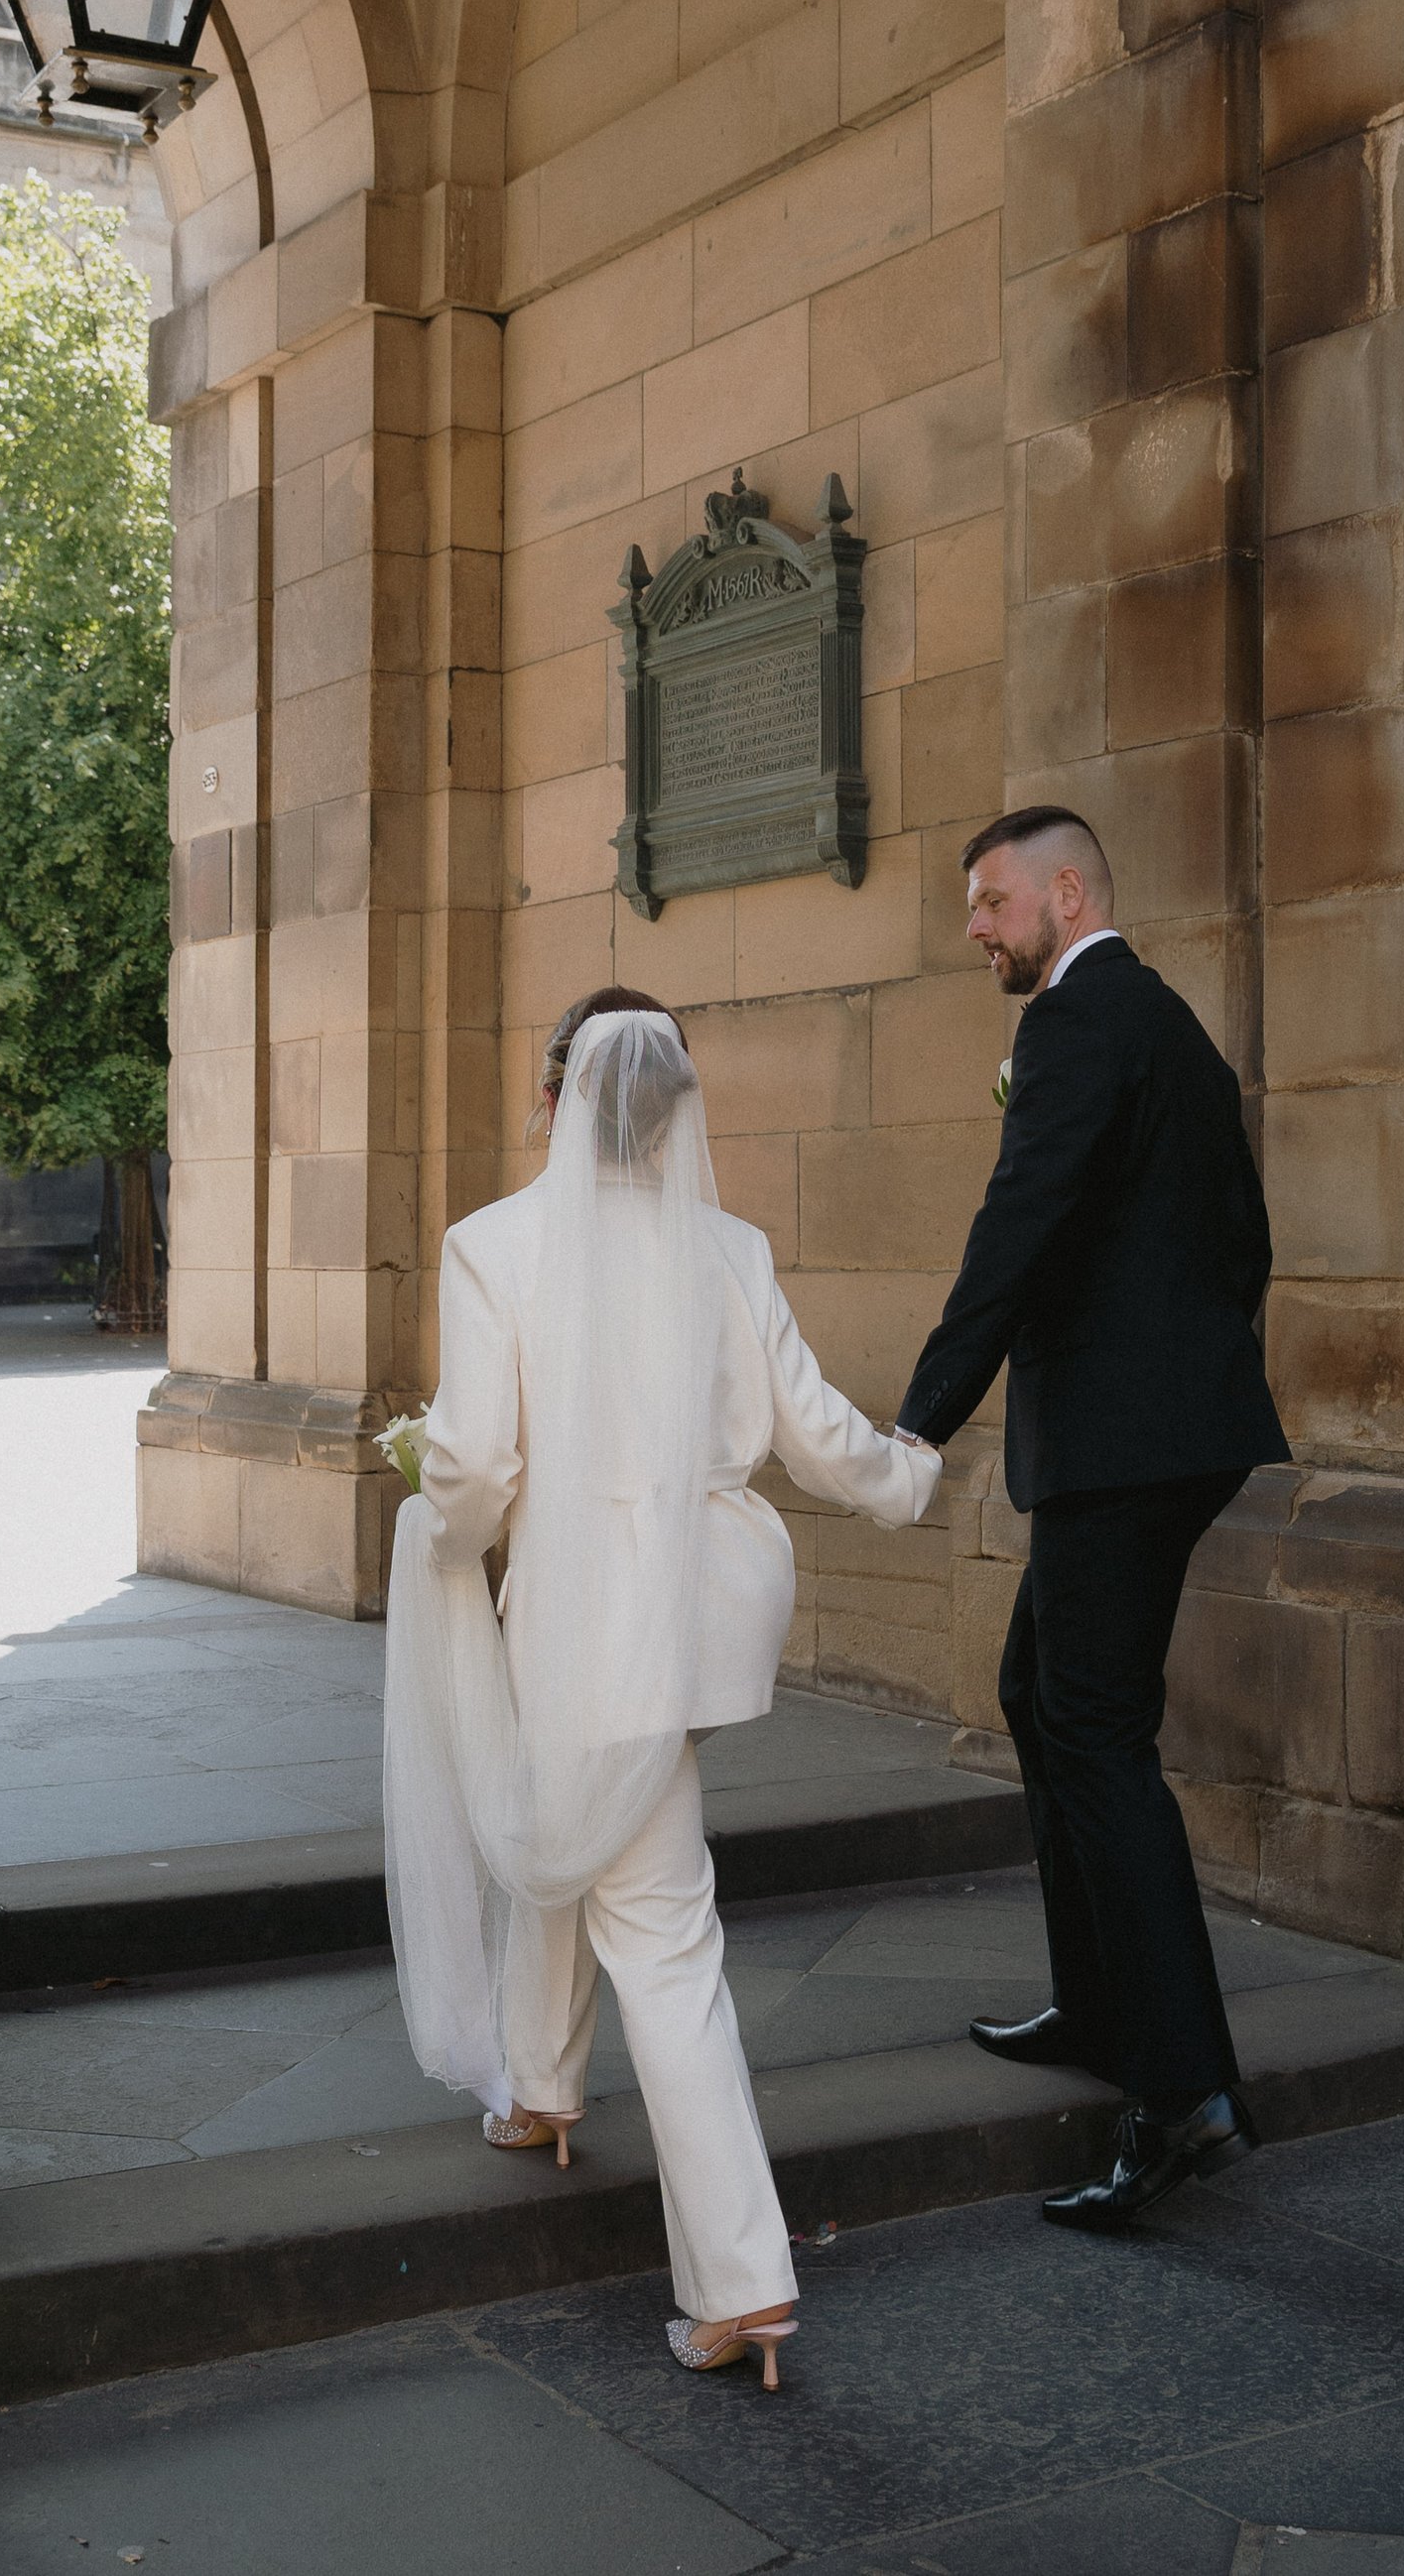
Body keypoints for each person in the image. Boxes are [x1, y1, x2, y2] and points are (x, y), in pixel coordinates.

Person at [383, 985, 942, 2385]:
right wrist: (911, 1474)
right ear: (672, 1106)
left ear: (554, 1093)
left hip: (584, 1614)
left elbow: (479, 1466)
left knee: (661, 1923)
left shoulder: (491, 1246)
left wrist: (434, 1527)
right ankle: (543, 2084)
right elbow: (815, 1430)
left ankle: (744, 2277)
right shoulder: (731, 1246)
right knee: (585, 1821)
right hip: (702, 1614)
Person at [894, 807, 1287, 2231]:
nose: (979, 929)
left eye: (993, 900)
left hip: (1121, 1451)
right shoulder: (1168, 1024)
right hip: (1180, 1434)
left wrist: (916, 1421)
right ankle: (1102, 1996)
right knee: (1038, 1692)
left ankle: (1182, 2090)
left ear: (1068, 891)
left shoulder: (1073, 1021)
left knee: (1098, 1733)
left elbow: (1022, 1223)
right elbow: (1243, 1239)